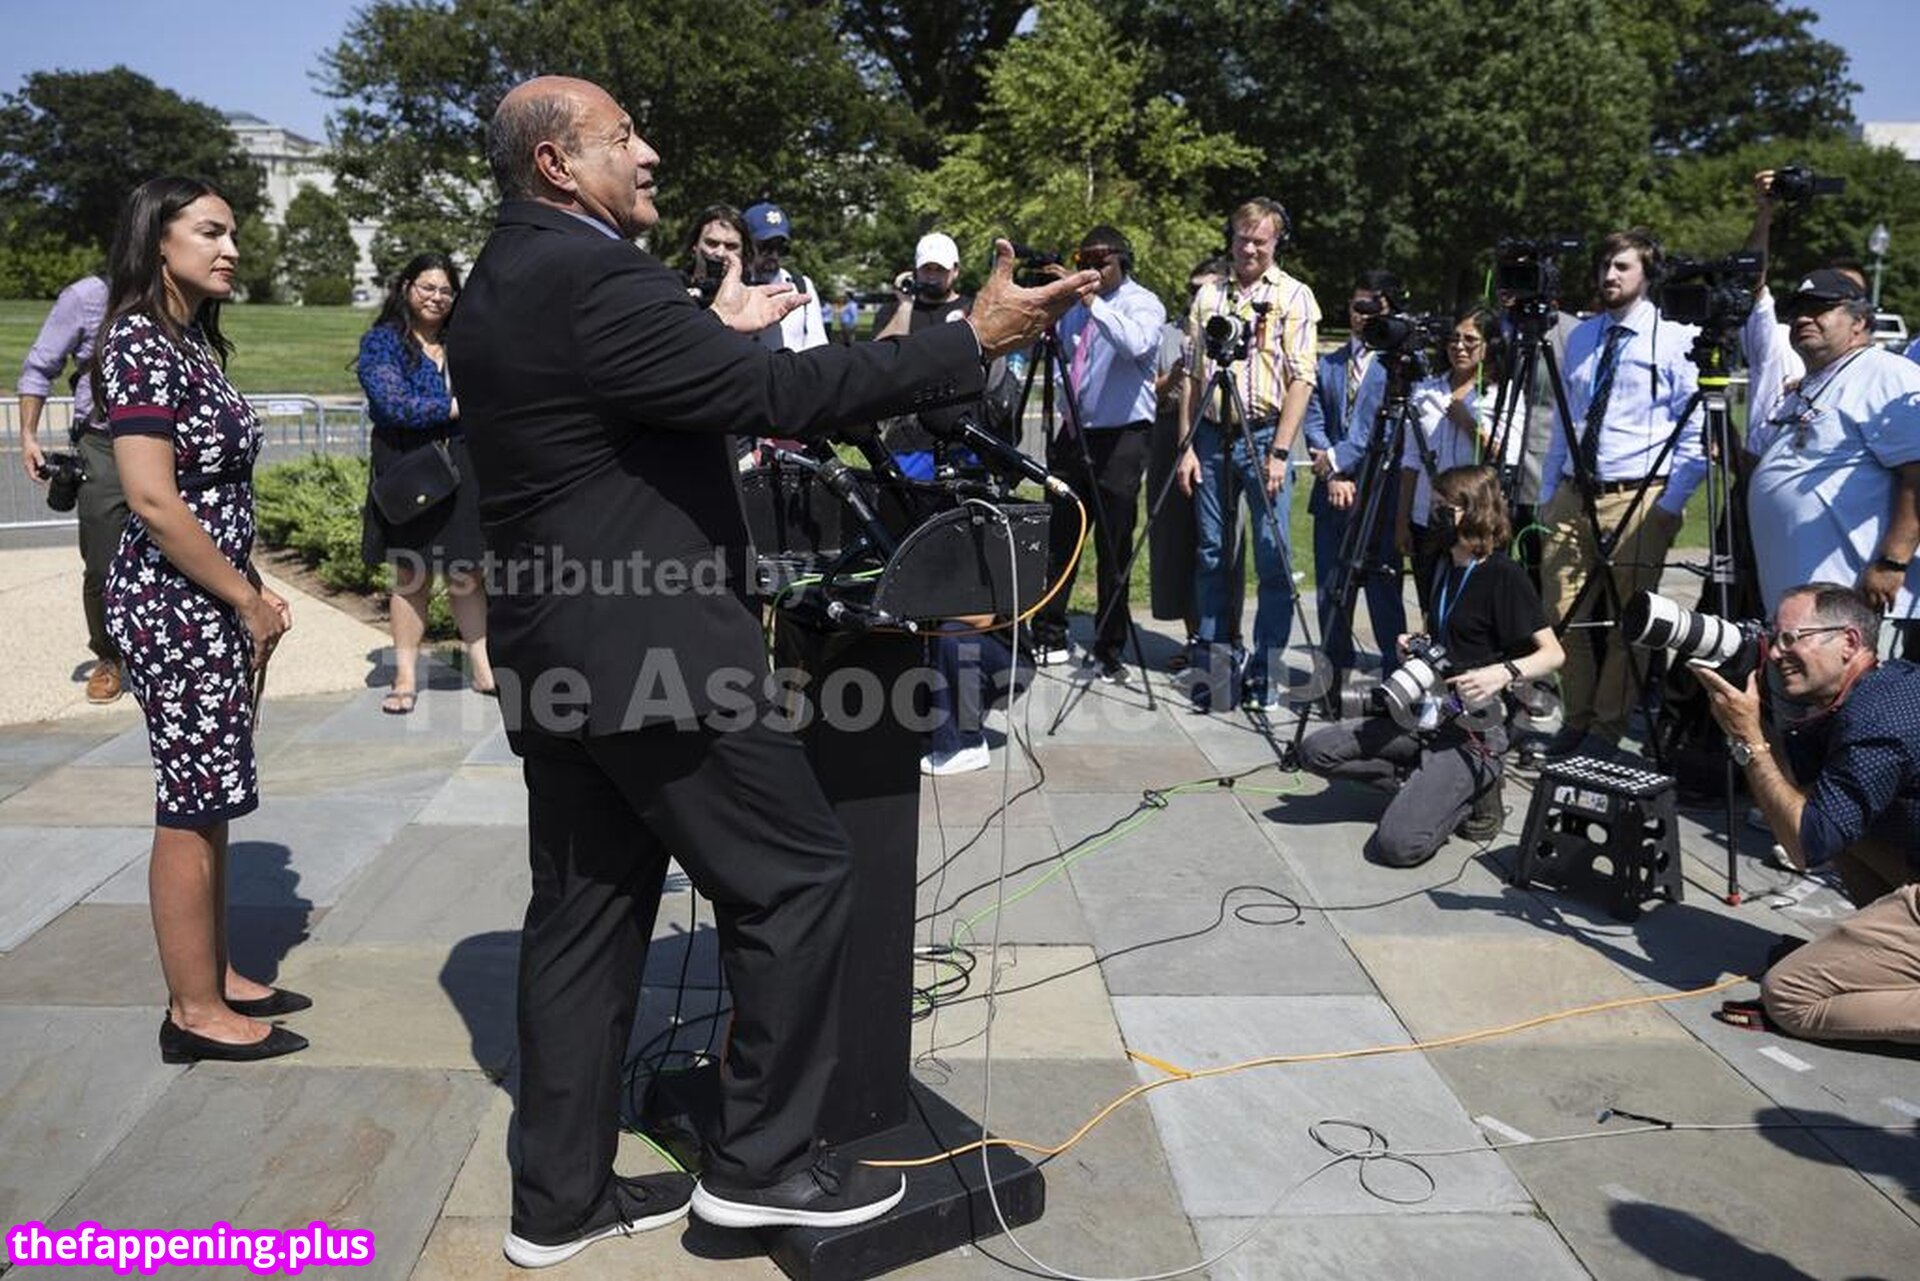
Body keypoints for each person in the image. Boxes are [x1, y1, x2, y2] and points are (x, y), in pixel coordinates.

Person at [449, 75, 1091, 1265]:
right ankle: (762, 1169)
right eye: (623, 136)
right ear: (555, 163)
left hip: (558, 655)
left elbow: (628, 402)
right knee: (797, 878)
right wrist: (971, 339)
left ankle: (559, 1201)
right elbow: (783, 395)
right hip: (651, 656)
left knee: (585, 923)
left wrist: (713, 331)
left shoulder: (503, 275)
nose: (648, 152)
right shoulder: (597, 275)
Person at [94, 176, 309, 1065]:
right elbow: (152, 499)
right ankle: (192, 1010)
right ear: (158, 239)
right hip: (175, 606)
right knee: (188, 804)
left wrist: (250, 587)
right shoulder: (138, 342)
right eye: (212, 232)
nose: (231, 249)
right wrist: (244, 596)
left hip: (207, 597)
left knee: (212, 792)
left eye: (233, 233)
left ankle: (213, 972)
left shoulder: (186, 340)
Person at [1300, 465, 1564, 866]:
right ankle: (1422, 785)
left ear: (1475, 511)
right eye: (1435, 503)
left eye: (1446, 506)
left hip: (1474, 728)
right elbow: (1449, 632)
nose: (1435, 512)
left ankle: (1473, 796)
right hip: (1425, 713)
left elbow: (1553, 654)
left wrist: (1502, 673)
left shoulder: (1502, 575)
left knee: (1397, 846)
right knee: (1315, 751)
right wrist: (1416, 644)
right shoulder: (1442, 564)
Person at [1697, 583, 1920, 1043]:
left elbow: (1805, 845)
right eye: (1771, 638)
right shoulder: (1886, 685)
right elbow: (1804, 804)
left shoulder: (1877, 723)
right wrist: (1761, 717)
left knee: (1789, 995)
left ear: (1849, 643)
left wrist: (1749, 740)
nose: (1776, 652)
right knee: (1840, 820)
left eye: (1789, 638)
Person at [1536, 230, 1704, 756]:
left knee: (1629, 623)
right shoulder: (1583, 336)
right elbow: (1566, 420)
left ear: (1647, 274)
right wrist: (1549, 491)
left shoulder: (1675, 337)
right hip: (1573, 492)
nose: (1610, 275)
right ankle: (1578, 718)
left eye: (1623, 266)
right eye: (1604, 265)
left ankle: (1605, 731)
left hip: (1639, 495)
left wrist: (1670, 506)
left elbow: (1695, 431)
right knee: (1562, 614)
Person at [1175, 197, 1321, 713]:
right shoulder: (1210, 295)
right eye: (1243, 238)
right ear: (1231, 238)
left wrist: (1280, 452)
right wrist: (1186, 446)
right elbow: (1192, 374)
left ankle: (1266, 671)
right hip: (1212, 435)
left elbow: (1302, 379)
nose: (1250, 248)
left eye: (1261, 239)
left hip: (1264, 435)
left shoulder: (1294, 295)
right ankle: (1216, 668)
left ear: (1277, 242)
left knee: (1271, 555)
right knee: (1213, 553)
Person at [1743, 269, 1920, 626]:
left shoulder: (1886, 374)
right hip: (1808, 613)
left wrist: (1892, 561)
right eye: (1797, 311)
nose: (1803, 319)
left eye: (1819, 309)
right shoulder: (1807, 385)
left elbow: (1917, 474)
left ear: (1859, 322)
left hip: (1861, 607)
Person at [356, 252, 493, 713]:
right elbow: (392, 404)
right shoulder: (383, 342)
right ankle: (405, 678)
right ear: (406, 288)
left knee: (467, 573)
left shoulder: (464, 341)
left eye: (446, 291)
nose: (437, 297)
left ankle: (484, 670)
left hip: (463, 466)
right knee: (411, 576)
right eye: (428, 287)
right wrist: (456, 407)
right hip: (410, 469)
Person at [1029, 226, 1165, 682]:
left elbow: (1136, 344)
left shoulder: (1142, 303)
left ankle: (1109, 647)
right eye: (1084, 262)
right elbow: (1066, 358)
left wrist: (1092, 303)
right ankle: (1048, 632)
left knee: (1113, 544)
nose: (1091, 270)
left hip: (1121, 438)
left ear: (1122, 260)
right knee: (1059, 538)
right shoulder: (1073, 308)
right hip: (1074, 434)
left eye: (1100, 262)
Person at [17, 272, 129, 704]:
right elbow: (40, 366)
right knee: (102, 562)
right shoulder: (87, 296)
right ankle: (108, 655)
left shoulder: (176, 293)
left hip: (166, 440)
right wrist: (28, 435)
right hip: (103, 443)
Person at [1303, 269, 1408, 690]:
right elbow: (1314, 420)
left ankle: (1395, 678)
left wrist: (1338, 462)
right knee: (1331, 590)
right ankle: (1332, 678)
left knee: (1384, 592)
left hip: (1379, 494)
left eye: (1373, 307)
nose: (1362, 314)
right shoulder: (1329, 364)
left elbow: (1382, 430)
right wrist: (1332, 471)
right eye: (1356, 305)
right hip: (1332, 493)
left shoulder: (1397, 366)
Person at [1147, 258, 1242, 668]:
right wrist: (1177, 375)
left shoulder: (1236, 330)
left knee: (1220, 543)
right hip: (1171, 435)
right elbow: (1149, 392)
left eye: (1206, 288)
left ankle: (1226, 636)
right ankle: (1193, 637)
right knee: (1176, 541)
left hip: (1219, 435)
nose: (1196, 297)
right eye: (1192, 289)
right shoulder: (1169, 333)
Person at [1398, 308, 1516, 618]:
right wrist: (1402, 521)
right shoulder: (1425, 390)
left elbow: (1506, 456)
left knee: (1473, 609)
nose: (1459, 347)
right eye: (1453, 339)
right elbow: (1410, 460)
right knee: (1431, 605)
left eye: (1470, 340)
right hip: (1427, 518)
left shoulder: (1500, 395)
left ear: (1489, 345)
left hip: (1475, 520)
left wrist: (1469, 424)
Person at [868, 232, 974, 479]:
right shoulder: (894, 311)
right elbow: (878, 358)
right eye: (927, 269)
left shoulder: (972, 310)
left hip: (962, 438)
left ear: (955, 271)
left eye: (940, 270)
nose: (933, 276)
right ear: (915, 271)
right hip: (908, 440)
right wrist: (906, 303)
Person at [742, 200, 828, 353]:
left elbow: (818, 346)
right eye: (766, 247)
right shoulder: (733, 287)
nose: (774, 255)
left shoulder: (802, 286)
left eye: (780, 248)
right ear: (746, 246)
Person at [677, 203, 751, 303]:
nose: (720, 253)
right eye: (712, 243)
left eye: (731, 246)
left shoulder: (752, 298)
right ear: (695, 245)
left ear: (744, 251)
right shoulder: (672, 288)